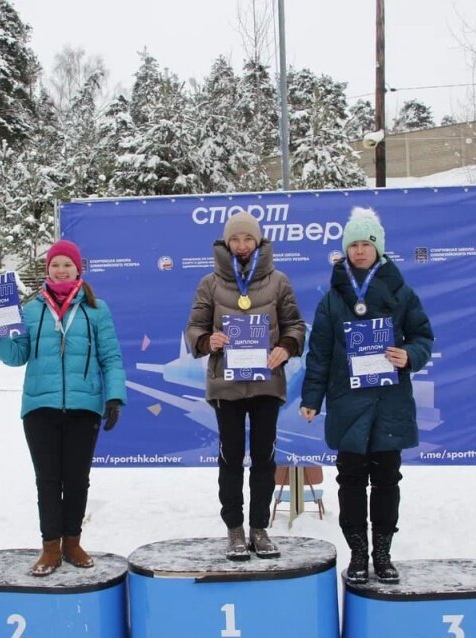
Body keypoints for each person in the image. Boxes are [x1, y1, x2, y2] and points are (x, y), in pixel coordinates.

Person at [0, 239, 126, 576]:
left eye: (67, 265)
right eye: (55, 265)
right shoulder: (30, 311)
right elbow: (16, 356)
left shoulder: (96, 309)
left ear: (78, 269)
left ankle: (72, 542)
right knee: (47, 479)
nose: (60, 270)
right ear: (47, 270)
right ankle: (49, 547)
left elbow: (111, 358)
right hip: (39, 406)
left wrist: (114, 396)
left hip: (83, 405)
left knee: (76, 479)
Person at [299, 208, 433, 584]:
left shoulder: (402, 293)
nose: (359, 251)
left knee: (388, 479)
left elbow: (423, 337)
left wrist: (409, 356)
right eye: (353, 245)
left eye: (365, 244)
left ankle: (383, 553)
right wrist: (312, 398)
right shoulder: (332, 299)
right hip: (347, 401)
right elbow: (320, 353)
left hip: (389, 402)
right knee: (351, 480)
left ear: (379, 249)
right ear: (345, 250)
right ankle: (358, 553)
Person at [185, 212, 306, 561]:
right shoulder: (209, 283)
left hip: (266, 383)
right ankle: (235, 530)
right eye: (235, 239)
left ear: (258, 242)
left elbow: (295, 325)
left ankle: (260, 529)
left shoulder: (279, 280)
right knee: (231, 458)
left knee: (265, 459)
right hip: (226, 386)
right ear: (226, 243)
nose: (241, 246)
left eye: (248, 239)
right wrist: (209, 341)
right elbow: (193, 328)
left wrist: (286, 346)